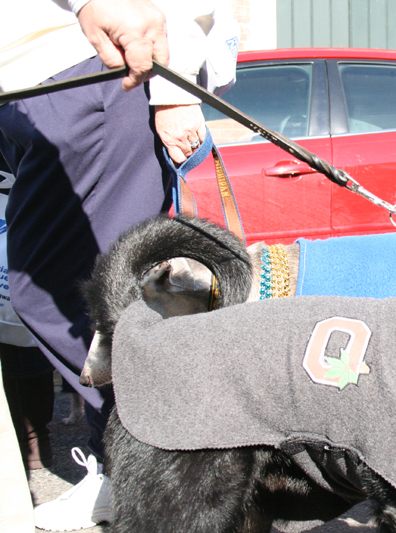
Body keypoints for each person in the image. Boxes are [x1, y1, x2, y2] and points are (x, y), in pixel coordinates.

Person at [0, 0, 239, 530]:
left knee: (70, 302)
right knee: (111, 307)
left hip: (88, 81)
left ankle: (164, 466)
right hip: (46, 92)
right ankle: (135, 470)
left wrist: (173, 89)